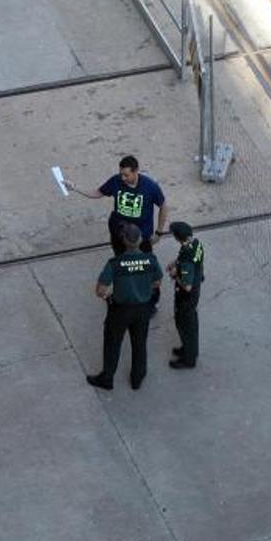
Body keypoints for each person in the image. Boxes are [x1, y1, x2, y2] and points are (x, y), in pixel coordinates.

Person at [66, 155, 168, 310]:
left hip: (141, 238)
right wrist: (75, 188)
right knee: (122, 264)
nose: (123, 177)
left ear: (136, 172)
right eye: (121, 174)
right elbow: (98, 192)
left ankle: (152, 301)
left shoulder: (150, 187)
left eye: (126, 175)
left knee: (145, 267)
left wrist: (159, 232)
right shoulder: (116, 181)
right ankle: (125, 294)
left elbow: (164, 206)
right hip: (118, 234)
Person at [86, 223, 163, 391]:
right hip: (143, 308)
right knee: (140, 343)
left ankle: (107, 378)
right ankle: (137, 378)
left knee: (112, 343)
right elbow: (157, 282)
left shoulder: (115, 263)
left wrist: (108, 296)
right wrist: (143, 290)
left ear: (123, 240)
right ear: (140, 239)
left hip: (120, 310)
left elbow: (100, 290)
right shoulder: (151, 260)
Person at [166, 221, 204, 369]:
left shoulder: (187, 258)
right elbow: (188, 257)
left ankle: (189, 359)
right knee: (190, 325)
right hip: (196, 286)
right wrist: (175, 263)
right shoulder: (195, 243)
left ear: (178, 238)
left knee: (184, 325)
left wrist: (175, 275)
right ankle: (189, 349)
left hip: (186, 298)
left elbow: (187, 286)